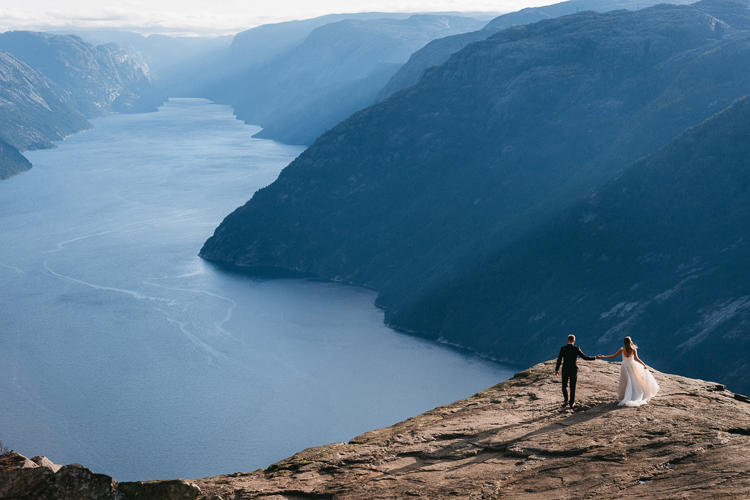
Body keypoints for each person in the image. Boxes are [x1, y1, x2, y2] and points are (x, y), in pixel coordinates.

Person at [597, 336, 659, 407]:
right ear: (630, 342)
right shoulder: (633, 349)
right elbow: (637, 359)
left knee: (626, 380)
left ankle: (626, 395)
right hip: (632, 365)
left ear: (624, 342)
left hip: (625, 366)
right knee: (634, 379)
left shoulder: (621, 349)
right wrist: (643, 364)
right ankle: (636, 393)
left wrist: (603, 356)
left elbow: (613, 356)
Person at [555, 334, 596, 408]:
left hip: (565, 369)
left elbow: (559, 359)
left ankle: (565, 400)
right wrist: (595, 357)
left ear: (567, 340)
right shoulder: (576, 349)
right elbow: (585, 357)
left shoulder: (563, 348)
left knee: (564, 385)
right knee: (572, 386)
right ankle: (572, 402)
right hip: (573, 369)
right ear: (574, 340)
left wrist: (557, 369)